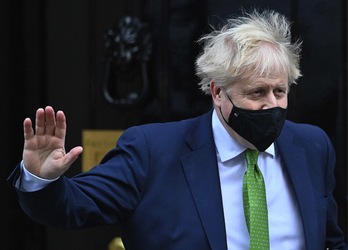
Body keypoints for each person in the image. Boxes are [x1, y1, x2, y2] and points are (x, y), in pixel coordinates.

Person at [8, 9, 347, 250]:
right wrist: (42, 180)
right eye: (257, 92)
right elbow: (70, 208)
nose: (271, 104)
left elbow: (330, 239)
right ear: (217, 92)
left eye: (280, 91)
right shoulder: (152, 151)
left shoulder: (311, 146)